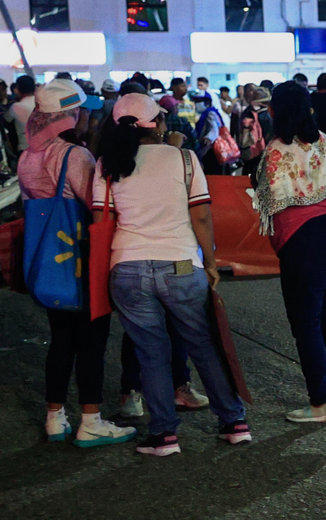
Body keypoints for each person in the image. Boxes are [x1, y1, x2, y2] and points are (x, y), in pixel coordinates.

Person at [93, 92, 249, 455]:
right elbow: (201, 216)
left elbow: (103, 219)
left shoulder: (107, 164)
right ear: (158, 124)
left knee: (151, 353)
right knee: (203, 345)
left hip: (128, 268)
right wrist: (209, 263)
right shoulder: (184, 159)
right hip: (181, 265)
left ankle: (164, 436)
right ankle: (234, 423)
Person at [18, 80, 137, 448]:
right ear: (71, 115)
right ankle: (91, 419)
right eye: (84, 110)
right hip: (82, 257)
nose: (89, 115)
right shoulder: (75, 156)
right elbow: (95, 203)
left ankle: (55, 417)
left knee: (61, 340)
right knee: (91, 340)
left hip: (48, 260)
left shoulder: (28, 157)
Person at [255, 81, 326, 424]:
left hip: (300, 245)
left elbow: (266, 204)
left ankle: (320, 403)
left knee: (306, 325)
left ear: (274, 111)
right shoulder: (325, 141)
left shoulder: (274, 150)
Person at [8, 74, 38, 155]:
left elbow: (6, 120)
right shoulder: (43, 103)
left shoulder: (16, 106)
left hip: (25, 149)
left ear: (17, 89)